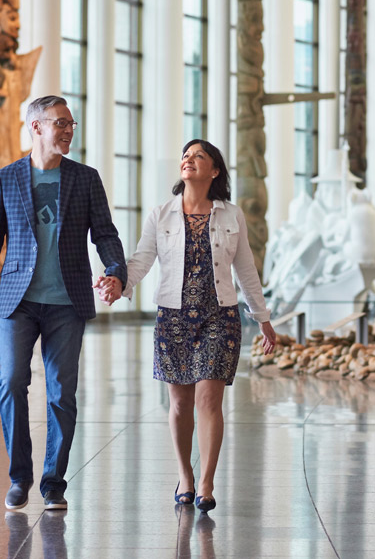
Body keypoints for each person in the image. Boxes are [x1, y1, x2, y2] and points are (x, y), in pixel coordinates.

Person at [0, 95, 128, 512]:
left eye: (72, 123)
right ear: (36, 127)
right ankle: (20, 477)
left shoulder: (85, 179)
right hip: (19, 301)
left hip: (67, 302)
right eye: (61, 123)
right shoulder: (7, 178)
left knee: (61, 394)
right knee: (11, 382)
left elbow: (105, 234)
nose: (69, 129)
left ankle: (54, 482)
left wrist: (116, 271)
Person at [104, 139, 276, 513]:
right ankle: (185, 475)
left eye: (199, 156)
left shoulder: (231, 215)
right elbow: (142, 259)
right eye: (185, 155)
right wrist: (121, 285)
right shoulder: (161, 214)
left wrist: (263, 319)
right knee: (180, 404)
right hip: (173, 317)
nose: (189, 159)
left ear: (214, 170)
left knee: (208, 400)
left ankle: (208, 482)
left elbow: (245, 269)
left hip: (220, 317)